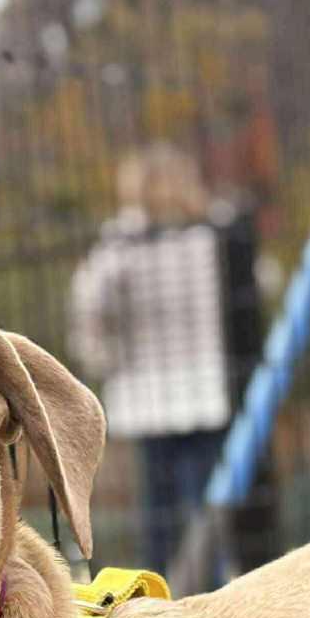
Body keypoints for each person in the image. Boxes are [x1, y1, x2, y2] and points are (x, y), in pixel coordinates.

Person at [68, 144, 239, 572]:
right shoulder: (213, 232)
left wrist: (101, 356)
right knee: (208, 506)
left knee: (158, 516)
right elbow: (256, 283)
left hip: (150, 393)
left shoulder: (125, 244)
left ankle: (157, 596)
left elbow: (90, 299)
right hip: (207, 389)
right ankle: (214, 588)